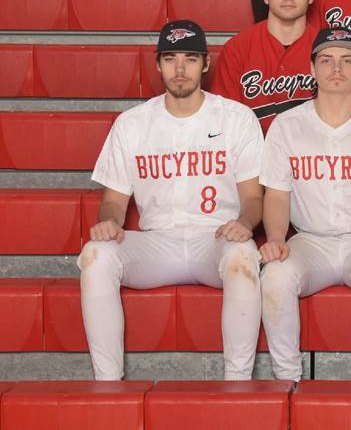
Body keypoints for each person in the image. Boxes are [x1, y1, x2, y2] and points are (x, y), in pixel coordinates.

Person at [78, 20, 263, 380]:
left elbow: (253, 197)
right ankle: (108, 384)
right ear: (158, 64)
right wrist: (110, 221)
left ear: (206, 64)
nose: (180, 69)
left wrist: (244, 223)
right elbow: (114, 201)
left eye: (190, 58)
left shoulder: (237, 118)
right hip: (156, 242)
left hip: (216, 239)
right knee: (95, 255)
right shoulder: (132, 123)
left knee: (244, 256)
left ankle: (238, 385)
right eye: (171, 58)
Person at [259, 27, 351, 382]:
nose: (336, 69)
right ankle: (287, 380)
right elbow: (276, 194)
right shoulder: (287, 125)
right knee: (275, 275)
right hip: (310, 240)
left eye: (347, 60)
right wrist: (276, 237)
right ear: (312, 68)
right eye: (327, 60)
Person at [213, 0, 318, 132]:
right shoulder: (237, 49)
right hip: (254, 154)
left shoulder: (326, 48)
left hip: (311, 155)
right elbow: (224, 121)